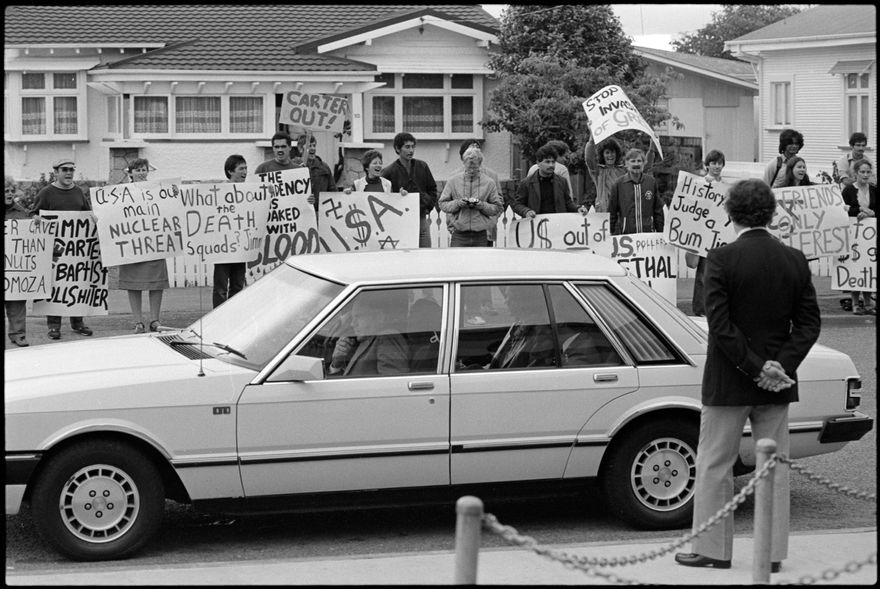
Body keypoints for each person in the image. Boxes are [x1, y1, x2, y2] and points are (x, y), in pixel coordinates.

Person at [675, 178, 821, 574]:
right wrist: (778, 366)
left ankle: (712, 549)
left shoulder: (721, 259)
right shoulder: (794, 259)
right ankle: (772, 552)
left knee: (714, 464)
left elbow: (719, 326)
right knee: (774, 466)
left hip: (729, 378)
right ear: (772, 214)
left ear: (730, 213)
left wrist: (756, 367)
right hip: (777, 382)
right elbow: (809, 325)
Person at [31, 159, 93, 340]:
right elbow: (32, 213)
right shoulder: (47, 192)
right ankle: (53, 326)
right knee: (56, 285)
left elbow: (87, 215)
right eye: (64, 170)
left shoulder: (78, 192)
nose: (68, 173)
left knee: (76, 283)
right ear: (56, 172)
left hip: (76, 251)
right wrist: (37, 218)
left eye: (71, 170)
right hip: (54, 249)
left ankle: (77, 322)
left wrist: (94, 219)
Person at [116, 158, 169, 333]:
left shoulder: (157, 190)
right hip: (132, 245)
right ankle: (138, 321)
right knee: (133, 284)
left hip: (153, 243)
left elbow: (167, 209)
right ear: (130, 173)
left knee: (156, 283)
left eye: (143, 169)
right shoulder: (120, 192)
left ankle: (155, 319)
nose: (141, 172)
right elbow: (113, 214)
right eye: (137, 170)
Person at [327, 293, 409, 377]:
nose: (352, 323)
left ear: (379, 317)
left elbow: (392, 384)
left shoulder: (387, 337)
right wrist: (337, 363)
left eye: (358, 317)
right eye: (352, 318)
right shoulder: (366, 341)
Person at [381, 132, 439, 248]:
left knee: (425, 255)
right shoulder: (389, 172)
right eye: (407, 147)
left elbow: (432, 190)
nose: (411, 150)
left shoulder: (422, 166)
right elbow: (384, 198)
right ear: (398, 149)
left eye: (413, 147)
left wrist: (427, 205)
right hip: (401, 222)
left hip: (421, 219)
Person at [686, 150, 726, 316]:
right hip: (703, 233)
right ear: (707, 165)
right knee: (703, 273)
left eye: (719, 163)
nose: (716, 166)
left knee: (721, 274)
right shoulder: (699, 184)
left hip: (720, 235)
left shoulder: (725, 186)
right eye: (713, 163)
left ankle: (718, 308)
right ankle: (700, 309)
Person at [438, 146, 504, 247]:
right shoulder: (453, 181)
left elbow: (497, 207)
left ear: (480, 165)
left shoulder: (489, 183)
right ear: (464, 163)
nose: (472, 171)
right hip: (459, 234)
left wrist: (482, 205)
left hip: (481, 234)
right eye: (469, 167)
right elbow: (442, 203)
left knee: (480, 263)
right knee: (456, 262)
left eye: (475, 168)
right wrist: (458, 203)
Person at [512, 144, 587, 219]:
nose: (551, 165)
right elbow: (517, 204)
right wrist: (526, 211)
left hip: (557, 224)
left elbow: (568, 202)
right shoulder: (526, 183)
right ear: (538, 163)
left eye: (553, 162)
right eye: (547, 162)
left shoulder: (562, 181)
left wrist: (577, 208)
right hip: (536, 225)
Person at [212, 155, 249, 308]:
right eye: (241, 169)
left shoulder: (250, 191)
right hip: (222, 247)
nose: (245, 172)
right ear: (230, 171)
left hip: (240, 246)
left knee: (237, 286)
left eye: (246, 168)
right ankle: (218, 318)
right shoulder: (219, 191)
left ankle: (234, 316)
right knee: (220, 288)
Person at [841, 159, 876, 315]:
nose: (865, 175)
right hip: (853, 234)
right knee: (855, 267)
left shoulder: (874, 190)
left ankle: (868, 303)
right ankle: (855, 303)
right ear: (855, 174)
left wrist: (872, 213)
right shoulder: (848, 190)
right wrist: (859, 211)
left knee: (868, 267)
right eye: (862, 172)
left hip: (870, 236)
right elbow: (843, 209)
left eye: (868, 172)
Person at [456, 139, 502, 246]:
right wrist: (453, 224)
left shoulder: (492, 175)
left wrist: (491, 221)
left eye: (477, 148)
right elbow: (448, 202)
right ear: (463, 155)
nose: (475, 150)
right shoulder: (455, 177)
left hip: (486, 231)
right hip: (461, 232)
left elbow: (499, 203)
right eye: (471, 148)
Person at [608, 148, 664, 235]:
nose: (636, 164)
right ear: (626, 164)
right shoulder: (618, 184)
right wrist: (609, 233)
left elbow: (658, 211)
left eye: (639, 161)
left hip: (648, 238)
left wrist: (661, 234)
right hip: (626, 237)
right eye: (633, 161)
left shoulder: (651, 182)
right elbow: (612, 213)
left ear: (644, 163)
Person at [5, 176, 30, 346]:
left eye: (12, 191)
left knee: (17, 300)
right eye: (6, 191)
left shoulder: (22, 212)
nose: (10, 194)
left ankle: (18, 334)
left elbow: (32, 237)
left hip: (15, 264)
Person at [584, 135, 625, 212]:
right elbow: (589, 159)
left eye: (612, 152)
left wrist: (651, 149)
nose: (610, 155)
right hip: (603, 212)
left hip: (621, 212)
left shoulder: (623, 170)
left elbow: (643, 168)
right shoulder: (598, 171)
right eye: (607, 152)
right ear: (602, 155)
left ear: (617, 153)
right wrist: (591, 140)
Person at [298, 133, 337, 210]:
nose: (312, 148)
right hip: (301, 213)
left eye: (314, 145)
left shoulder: (324, 167)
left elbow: (333, 191)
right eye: (309, 146)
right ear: (300, 149)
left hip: (321, 212)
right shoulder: (294, 167)